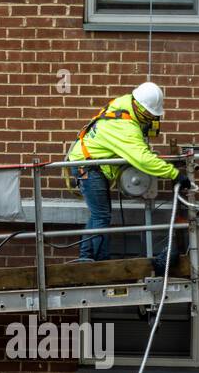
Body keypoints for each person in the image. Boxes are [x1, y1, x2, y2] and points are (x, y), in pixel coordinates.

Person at [66, 81, 191, 275]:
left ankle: (86, 256)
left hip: (89, 163)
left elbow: (136, 147)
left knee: (98, 214)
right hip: (89, 167)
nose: (151, 119)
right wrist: (174, 174)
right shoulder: (124, 127)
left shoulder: (125, 104)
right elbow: (142, 157)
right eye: (150, 115)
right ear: (140, 108)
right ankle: (99, 264)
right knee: (102, 215)